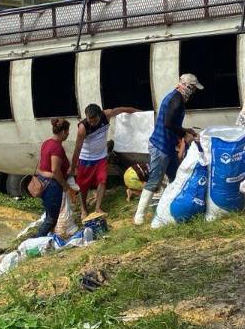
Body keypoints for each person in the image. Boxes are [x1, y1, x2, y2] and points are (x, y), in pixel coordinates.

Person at [134, 73, 203, 225]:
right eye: (193, 89)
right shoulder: (176, 100)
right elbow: (168, 124)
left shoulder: (174, 97)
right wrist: (184, 135)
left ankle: (167, 207)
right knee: (155, 180)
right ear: (188, 87)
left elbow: (172, 123)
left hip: (167, 146)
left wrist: (186, 130)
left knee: (176, 176)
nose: (194, 93)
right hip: (161, 146)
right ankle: (139, 215)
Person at [72, 103, 139, 214]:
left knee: (102, 181)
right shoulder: (82, 128)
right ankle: (84, 209)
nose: (92, 123)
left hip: (101, 157)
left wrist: (138, 112)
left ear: (100, 115)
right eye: (90, 120)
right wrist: (73, 166)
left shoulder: (106, 115)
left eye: (95, 120)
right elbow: (77, 148)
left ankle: (98, 208)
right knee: (83, 185)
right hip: (86, 159)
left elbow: (121, 109)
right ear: (86, 117)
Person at [34, 118, 82, 238]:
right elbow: (55, 170)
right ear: (62, 132)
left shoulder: (47, 143)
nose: (68, 134)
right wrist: (66, 187)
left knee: (50, 214)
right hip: (52, 186)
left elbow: (41, 166)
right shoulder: (57, 148)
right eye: (67, 132)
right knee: (51, 219)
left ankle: (45, 236)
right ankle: (36, 241)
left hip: (44, 182)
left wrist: (45, 174)